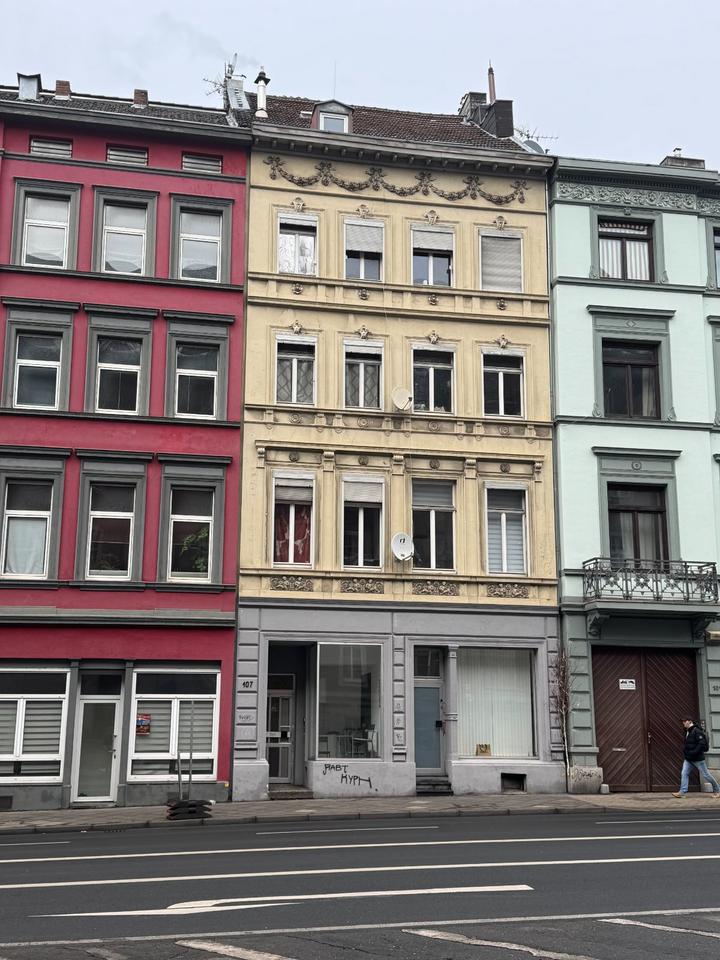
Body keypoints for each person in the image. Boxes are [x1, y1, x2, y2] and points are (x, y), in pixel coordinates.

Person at [672, 716, 720, 798]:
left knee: (706, 775)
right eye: (683, 721)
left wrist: (693, 752)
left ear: (690, 721)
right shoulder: (687, 731)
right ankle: (682, 792)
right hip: (688, 758)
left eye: (685, 721)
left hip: (698, 759)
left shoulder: (697, 731)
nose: (683, 723)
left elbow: (701, 744)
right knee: (684, 773)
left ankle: (718, 790)